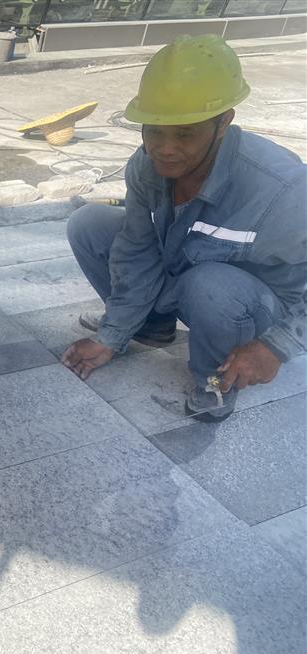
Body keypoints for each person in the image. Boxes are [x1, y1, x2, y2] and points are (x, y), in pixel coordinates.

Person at [61, 34, 306, 422]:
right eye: (154, 130)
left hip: (253, 307)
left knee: (209, 284)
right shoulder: (146, 167)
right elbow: (136, 251)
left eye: (185, 133)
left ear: (224, 122)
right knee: (89, 223)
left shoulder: (282, 188)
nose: (164, 148)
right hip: (192, 278)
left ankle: (216, 383)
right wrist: (112, 335)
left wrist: (278, 345)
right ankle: (150, 325)